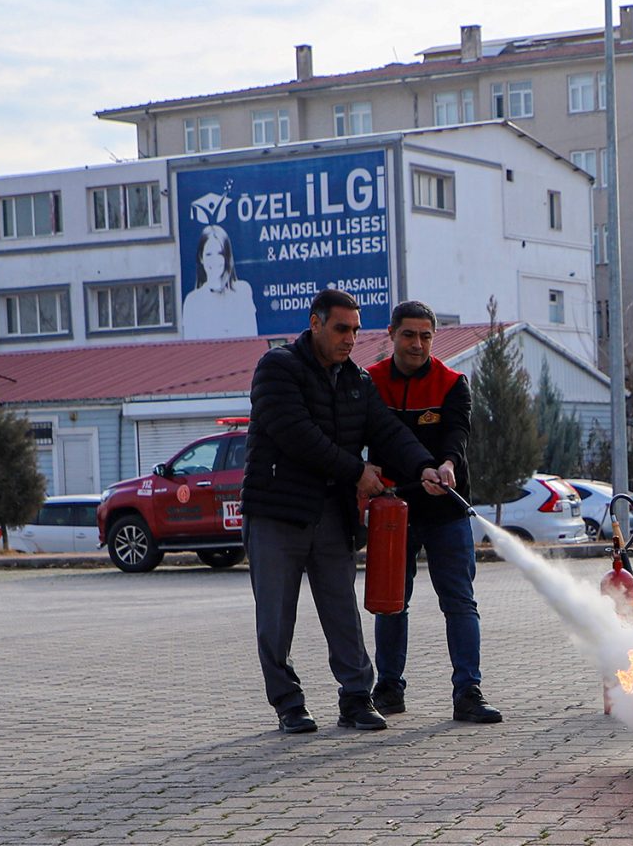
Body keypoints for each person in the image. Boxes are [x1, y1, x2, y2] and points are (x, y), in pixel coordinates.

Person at [243, 289, 442, 732]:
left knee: (343, 612)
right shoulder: (277, 368)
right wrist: (356, 470)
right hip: (277, 513)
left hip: (332, 516)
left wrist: (425, 466)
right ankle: (289, 704)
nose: (350, 338)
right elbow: (297, 434)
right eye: (341, 328)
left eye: (355, 330)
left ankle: (356, 699)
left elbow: (387, 432)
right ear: (315, 323)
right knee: (275, 619)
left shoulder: (356, 381)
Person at [366, 302, 501, 724]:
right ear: (391, 334)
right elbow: (367, 439)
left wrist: (447, 465)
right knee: (392, 603)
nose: (418, 344)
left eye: (426, 336)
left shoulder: (452, 383)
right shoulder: (369, 383)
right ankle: (388, 688)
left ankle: (468, 692)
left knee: (460, 601)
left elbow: (457, 434)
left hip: (447, 509)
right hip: (393, 511)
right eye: (409, 335)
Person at [182, 224, 259, 339]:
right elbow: (192, 348)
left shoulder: (243, 292)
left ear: (227, 257)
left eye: (220, 254)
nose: (214, 260)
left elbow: (252, 340)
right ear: (201, 258)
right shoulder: (192, 302)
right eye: (208, 254)